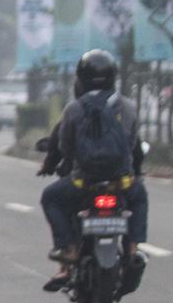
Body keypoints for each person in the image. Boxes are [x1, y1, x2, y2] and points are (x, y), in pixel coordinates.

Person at [39, 49, 148, 290]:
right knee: (139, 197)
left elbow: (65, 146)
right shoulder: (128, 106)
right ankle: (132, 248)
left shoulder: (74, 109)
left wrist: (61, 163)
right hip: (122, 182)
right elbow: (132, 144)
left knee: (50, 198)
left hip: (83, 183)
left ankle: (68, 248)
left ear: (80, 78)